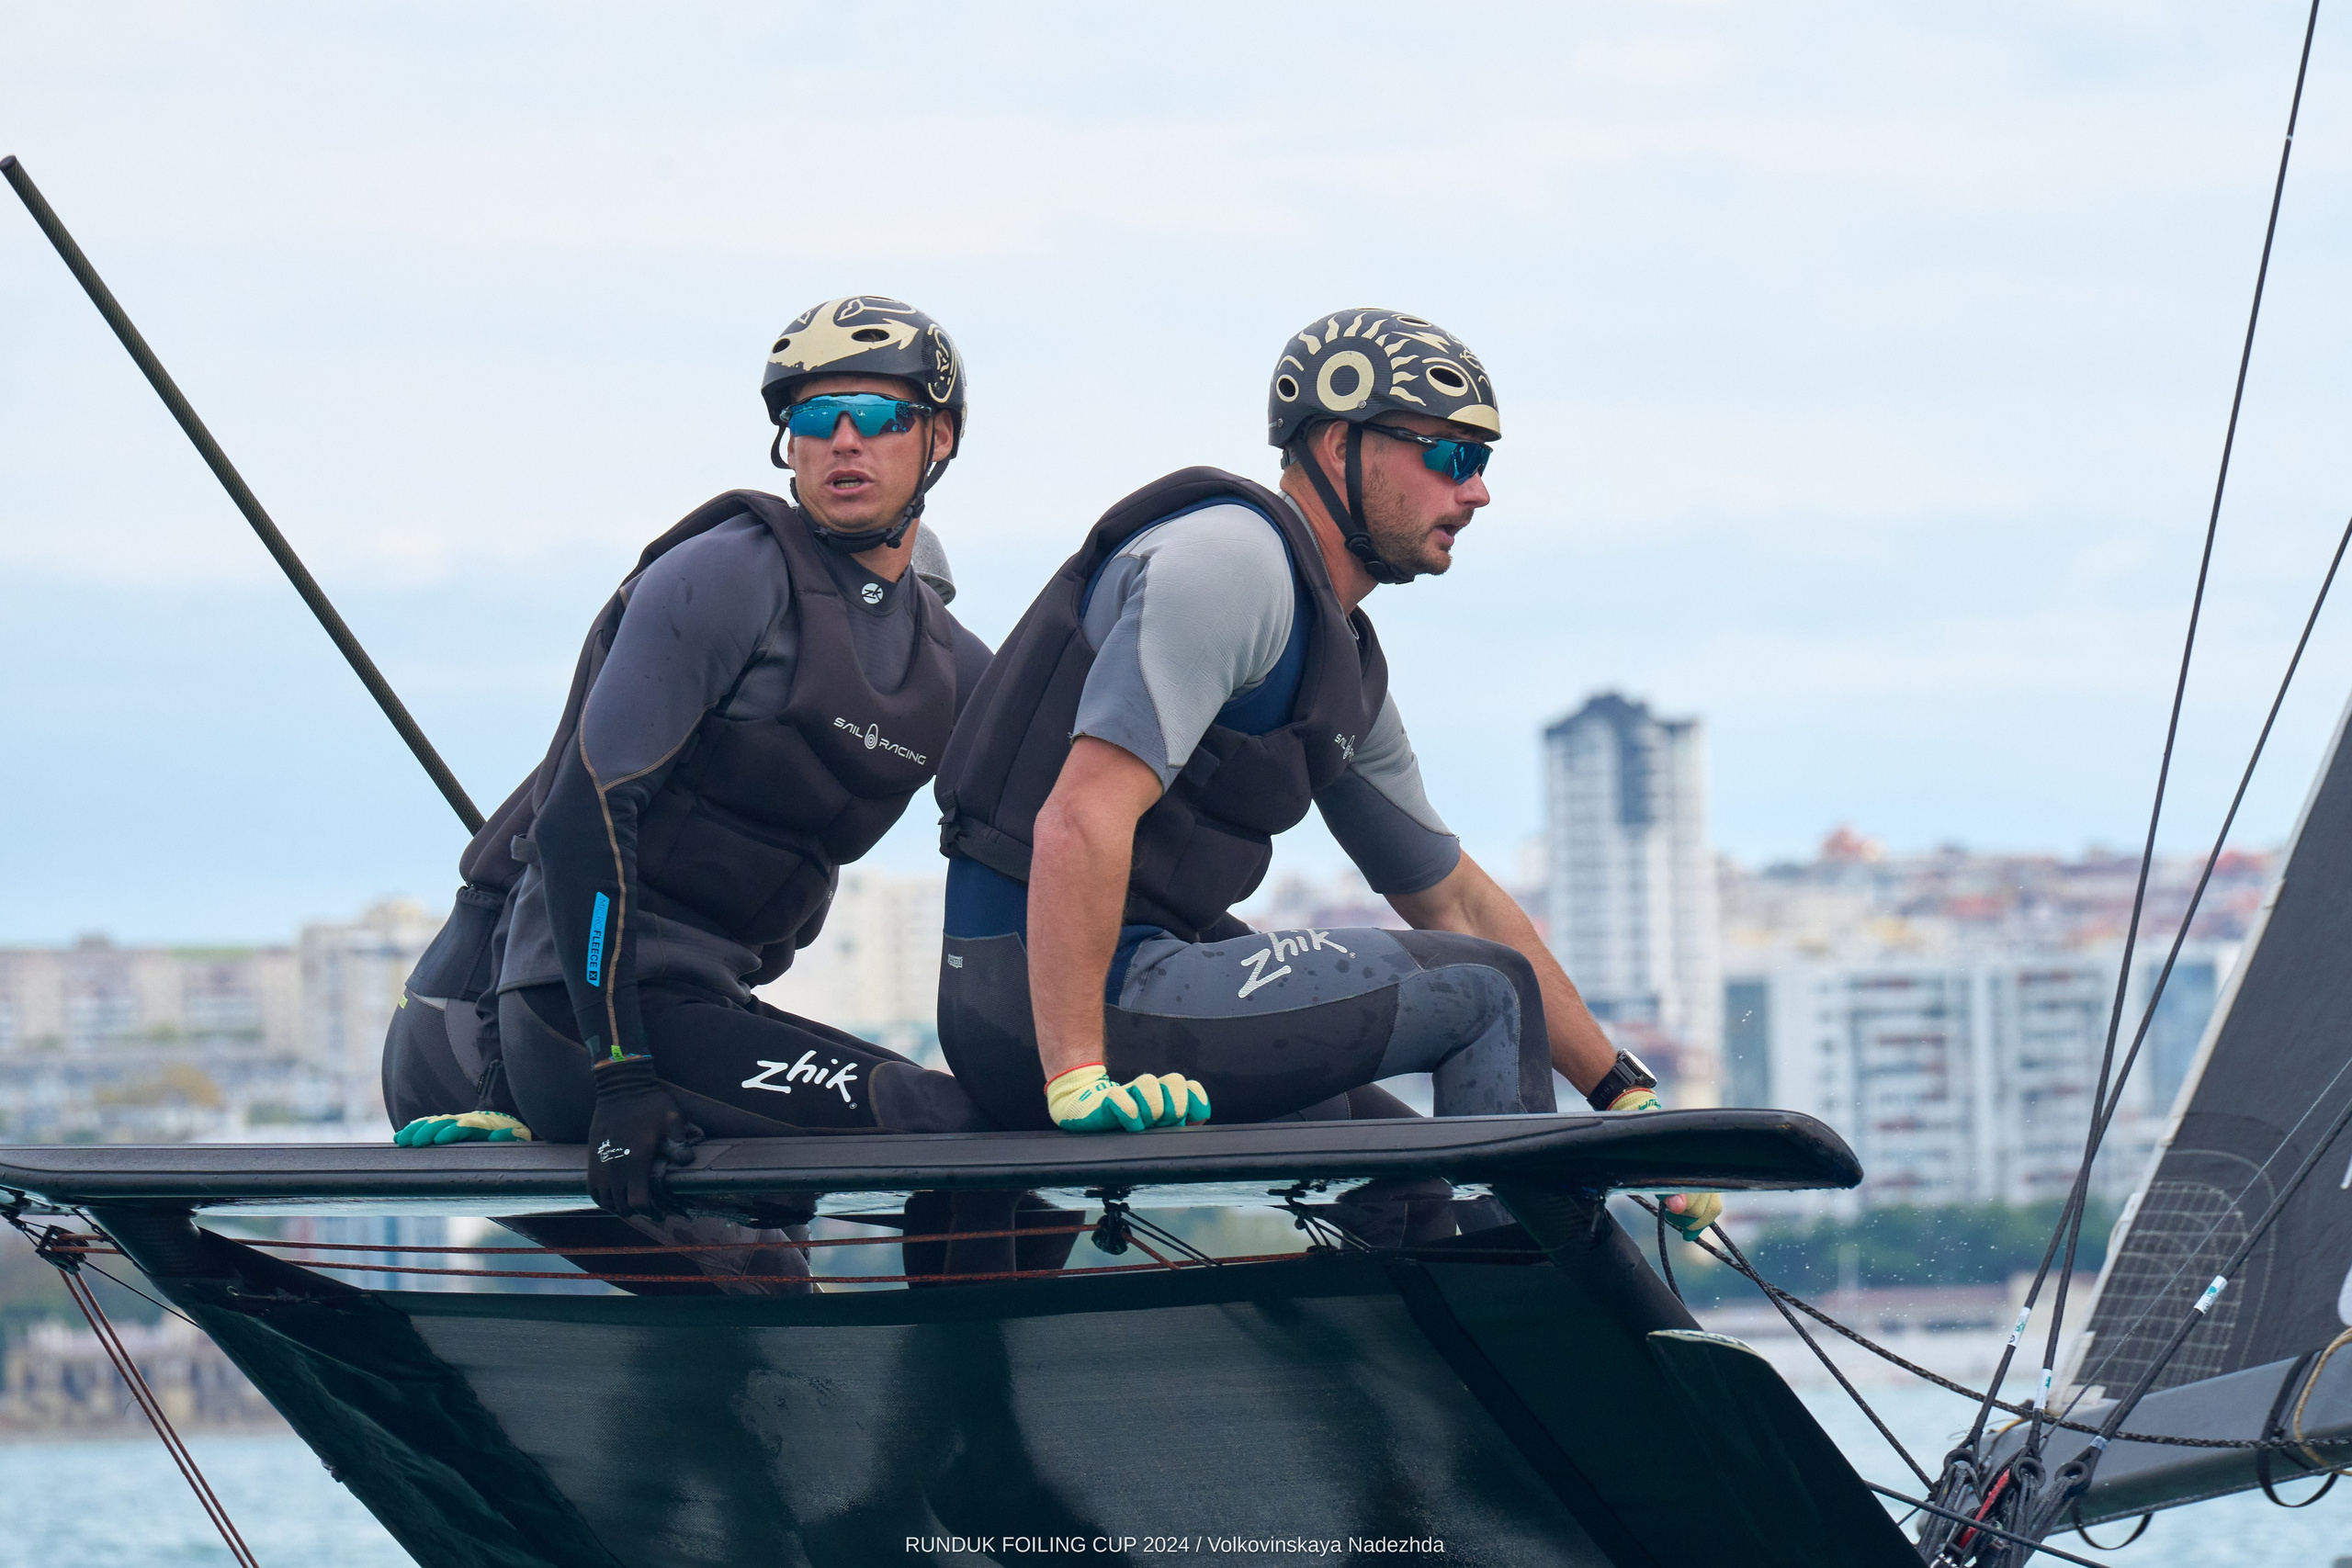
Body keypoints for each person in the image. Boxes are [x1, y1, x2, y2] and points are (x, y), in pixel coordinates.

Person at [933, 308, 1721, 1240]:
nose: (1476, 495)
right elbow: (1078, 820)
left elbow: (1454, 900)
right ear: (1341, 444)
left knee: (1410, 1186)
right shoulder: (1228, 564)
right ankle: (1540, 1316)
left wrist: (1621, 1094)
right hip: (1050, 1007)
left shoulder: (1334, 659)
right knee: (1482, 993)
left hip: (1133, 985)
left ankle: (1434, 1364)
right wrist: (1075, 1073)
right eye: (1453, 457)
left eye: (1483, 465)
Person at [385, 296, 1008, 1226]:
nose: (844, 440)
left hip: (705, 1011)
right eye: (811, 417)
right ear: (785, 442)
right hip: (585, 1026)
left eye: (878, 416)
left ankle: (958, 1370)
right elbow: (583, 815)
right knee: (942, 1128)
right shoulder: (726, 574)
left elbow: (1057, 836)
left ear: (940, 439)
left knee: (1011, 1157)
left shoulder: (954, 667)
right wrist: (619, 1073)